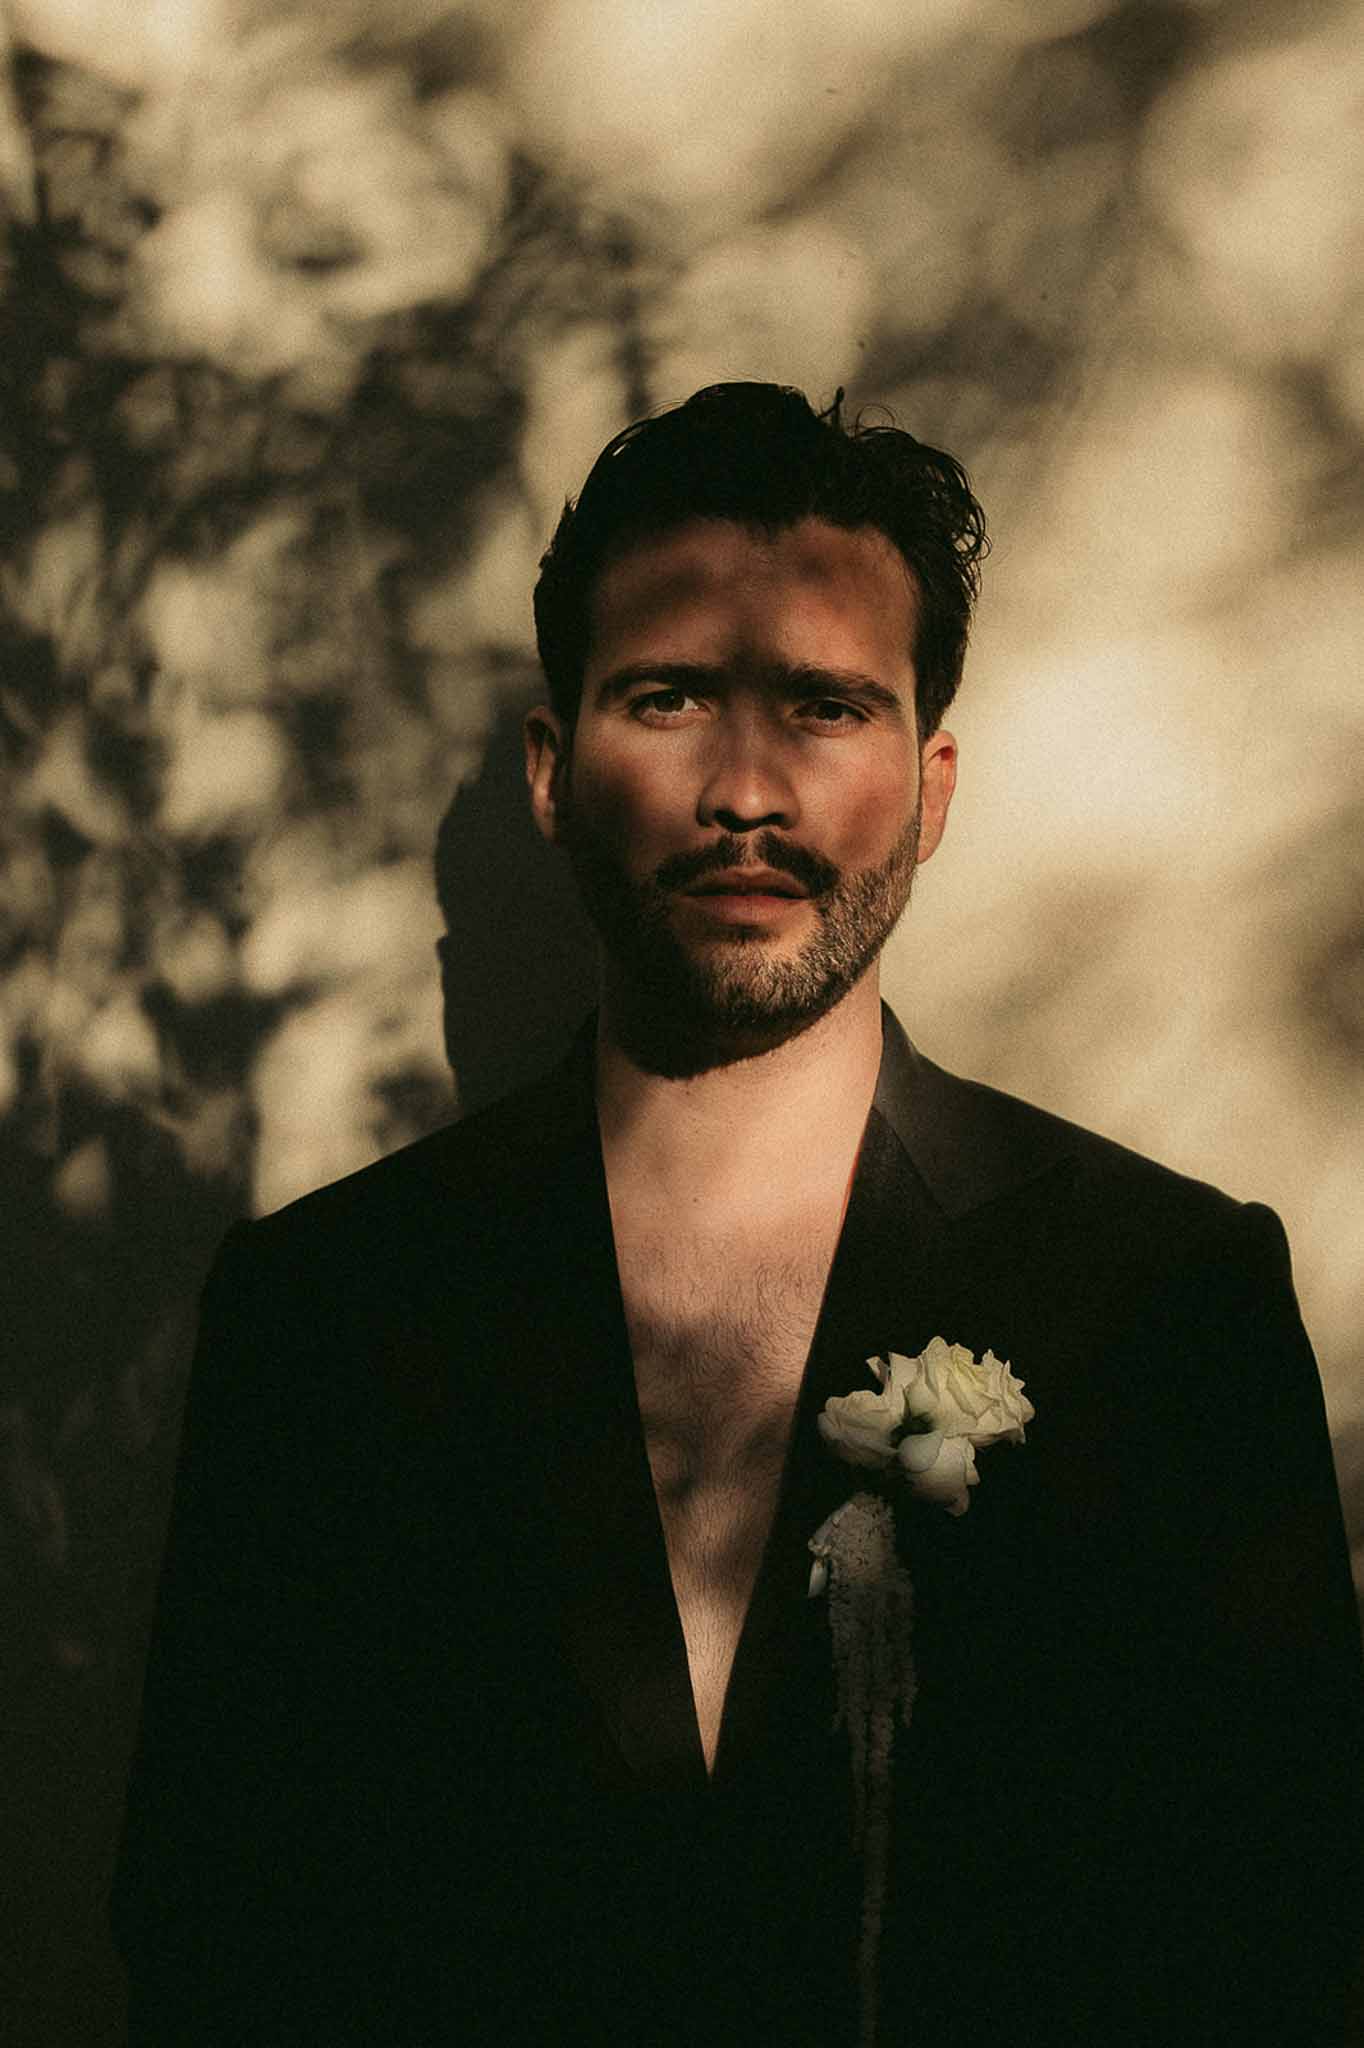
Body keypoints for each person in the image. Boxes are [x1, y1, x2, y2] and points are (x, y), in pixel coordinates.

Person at [113, 383, 1364, 2047]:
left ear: (931, 788)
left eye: (826, 707)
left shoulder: (1166, 1300)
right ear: (556, 776)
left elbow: (1275, 1935)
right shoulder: (324, 1312)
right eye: (673, 697)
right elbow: (216, 1935)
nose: (747, 792)